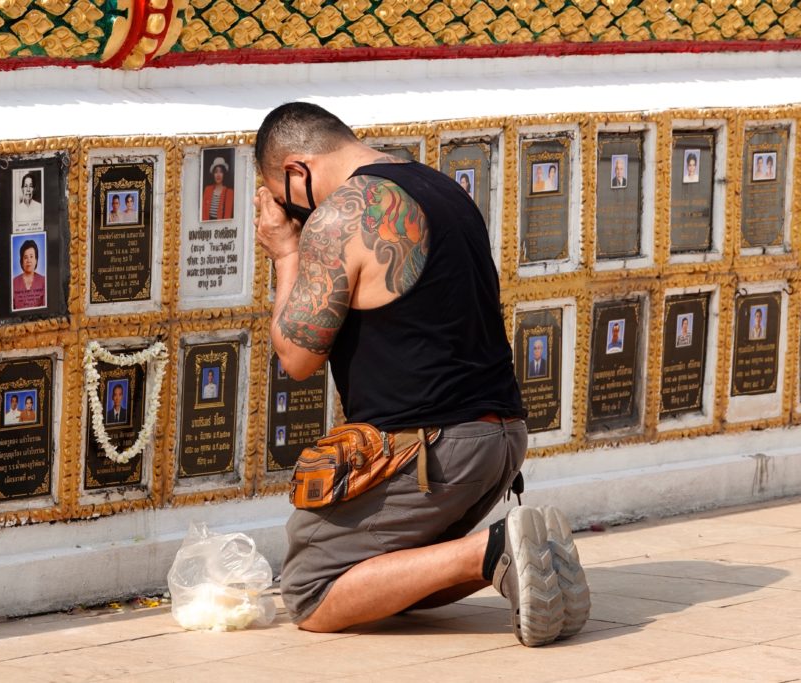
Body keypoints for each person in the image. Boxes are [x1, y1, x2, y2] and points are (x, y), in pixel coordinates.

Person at [253, 102, 588, 645]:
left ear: (296, 171)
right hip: (501, 440)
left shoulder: (343, 213)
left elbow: (297, 358)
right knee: (394, 584)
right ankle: (520, 555)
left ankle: (493, 550)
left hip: (430, 448)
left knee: (313, 590)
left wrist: (286, 253)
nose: (289, 211)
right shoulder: (443, 189)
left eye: (282, 197)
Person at [12, 239, 46, 310]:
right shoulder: (13, 282)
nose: (28, 261)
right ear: (21, 261)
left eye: (31, 256)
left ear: (36, 260)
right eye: (25, 257)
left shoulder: (44, 281)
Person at [201, 157, 234, 221]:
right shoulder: (207, 190)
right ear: (213, 174)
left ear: (224, 174)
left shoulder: (229, 192)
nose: (218, 175)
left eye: (221, 172)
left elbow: (227, 217)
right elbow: (203, 214)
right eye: (216, 172)